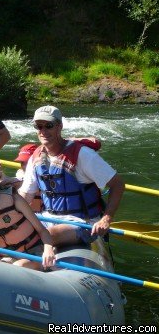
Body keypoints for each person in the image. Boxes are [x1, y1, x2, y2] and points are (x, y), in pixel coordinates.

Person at [19, 105, 125, 247]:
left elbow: (117, 184)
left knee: (45, 235)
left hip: (82, 223)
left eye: (48, 125)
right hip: (47, 218)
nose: (43, 131)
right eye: (39, 126)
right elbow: (25, 196)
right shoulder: (36, 157)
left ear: (59, 126)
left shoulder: (83, 155)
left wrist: (106, 219)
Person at [0, 151, 55, 270]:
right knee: (7, 265)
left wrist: (48, 249)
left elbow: (42, 230)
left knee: (19, 266)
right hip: (5, 258)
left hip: (32, 254)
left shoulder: (14, 198)